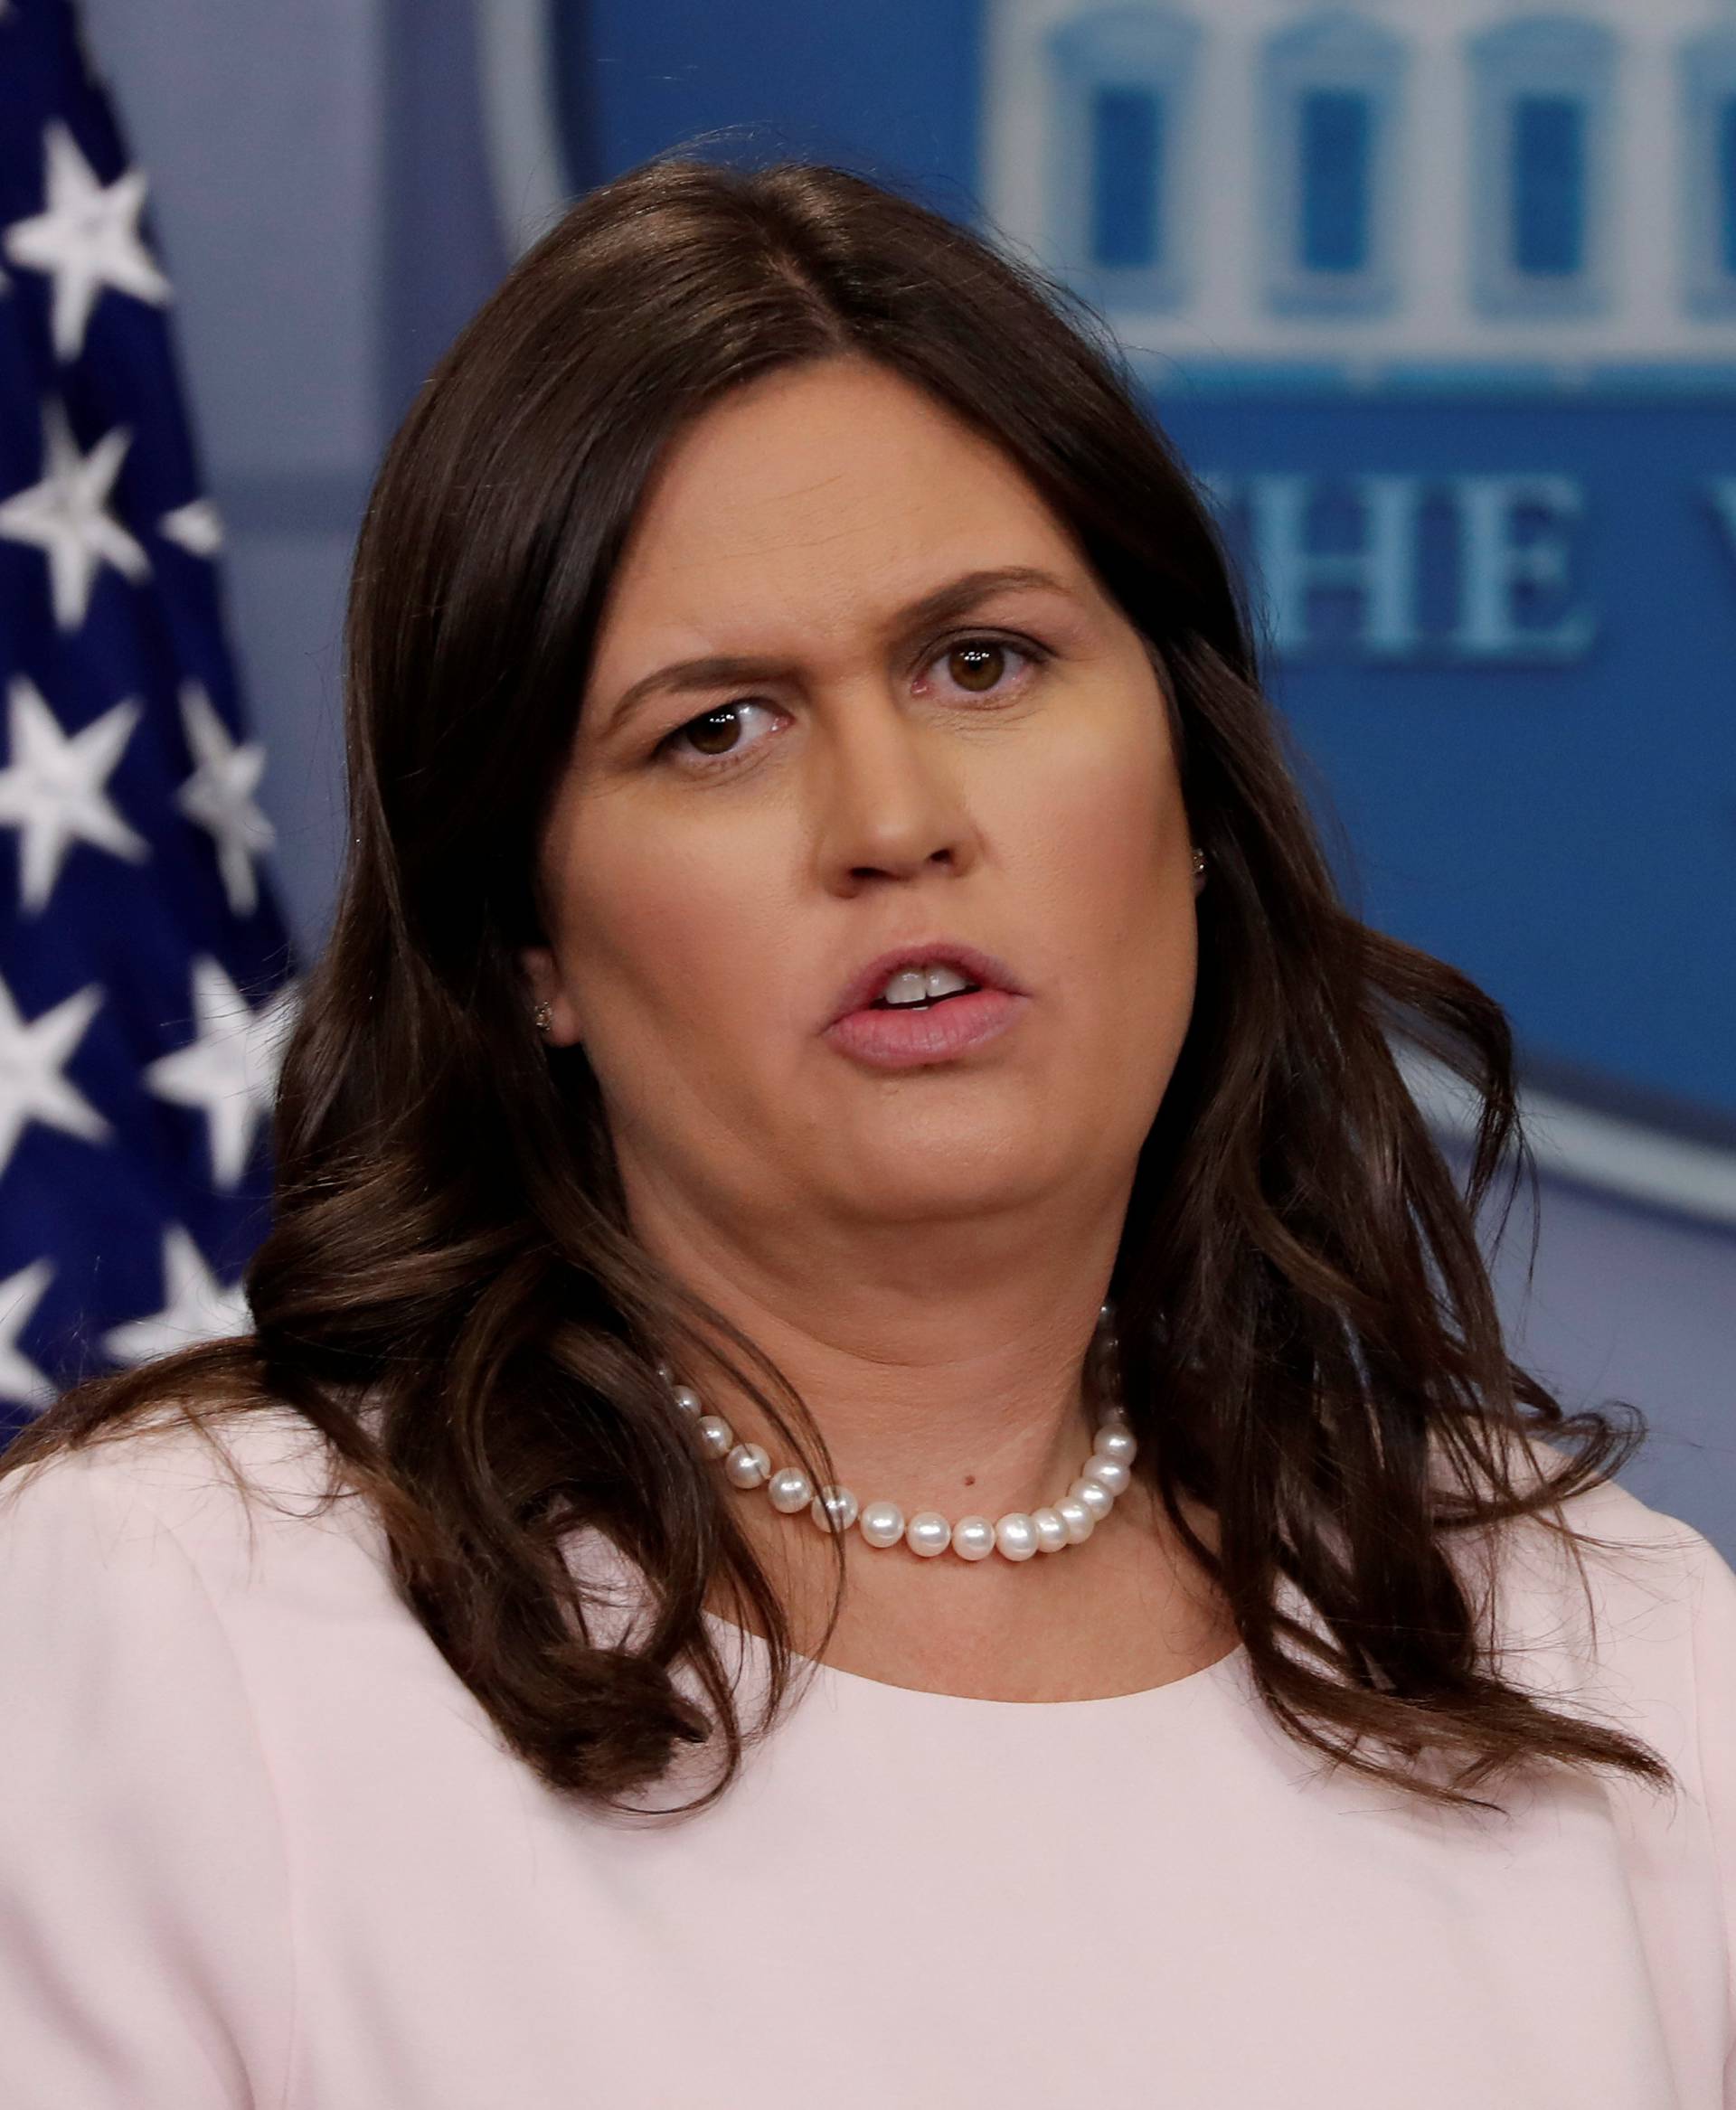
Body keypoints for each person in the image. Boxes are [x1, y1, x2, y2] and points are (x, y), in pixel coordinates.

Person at [0, 152, 1731, 2109]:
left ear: (1188, 781)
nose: (895, 816)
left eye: (982, 662)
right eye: (716, 726)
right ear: (525, 944)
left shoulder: (1604, 1647)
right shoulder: (196, 1624)